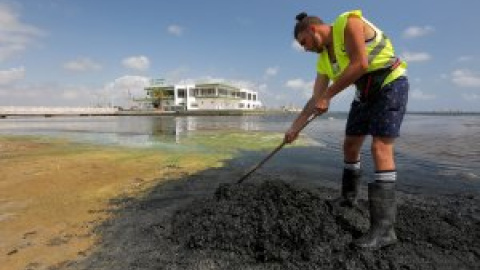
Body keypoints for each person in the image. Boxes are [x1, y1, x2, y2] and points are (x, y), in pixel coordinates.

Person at [284, 10, 409, 249]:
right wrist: (295, 128)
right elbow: (315, 99)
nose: (304, 48)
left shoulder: (348, 22)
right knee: (350, 145)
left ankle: (384, 230)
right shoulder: (323, 61)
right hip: (363, 93)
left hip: (390, 84)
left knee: (380, 147)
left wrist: (328, 96)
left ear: (313, 30)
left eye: (304, 43)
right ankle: (348, 198)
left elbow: (360, 64)